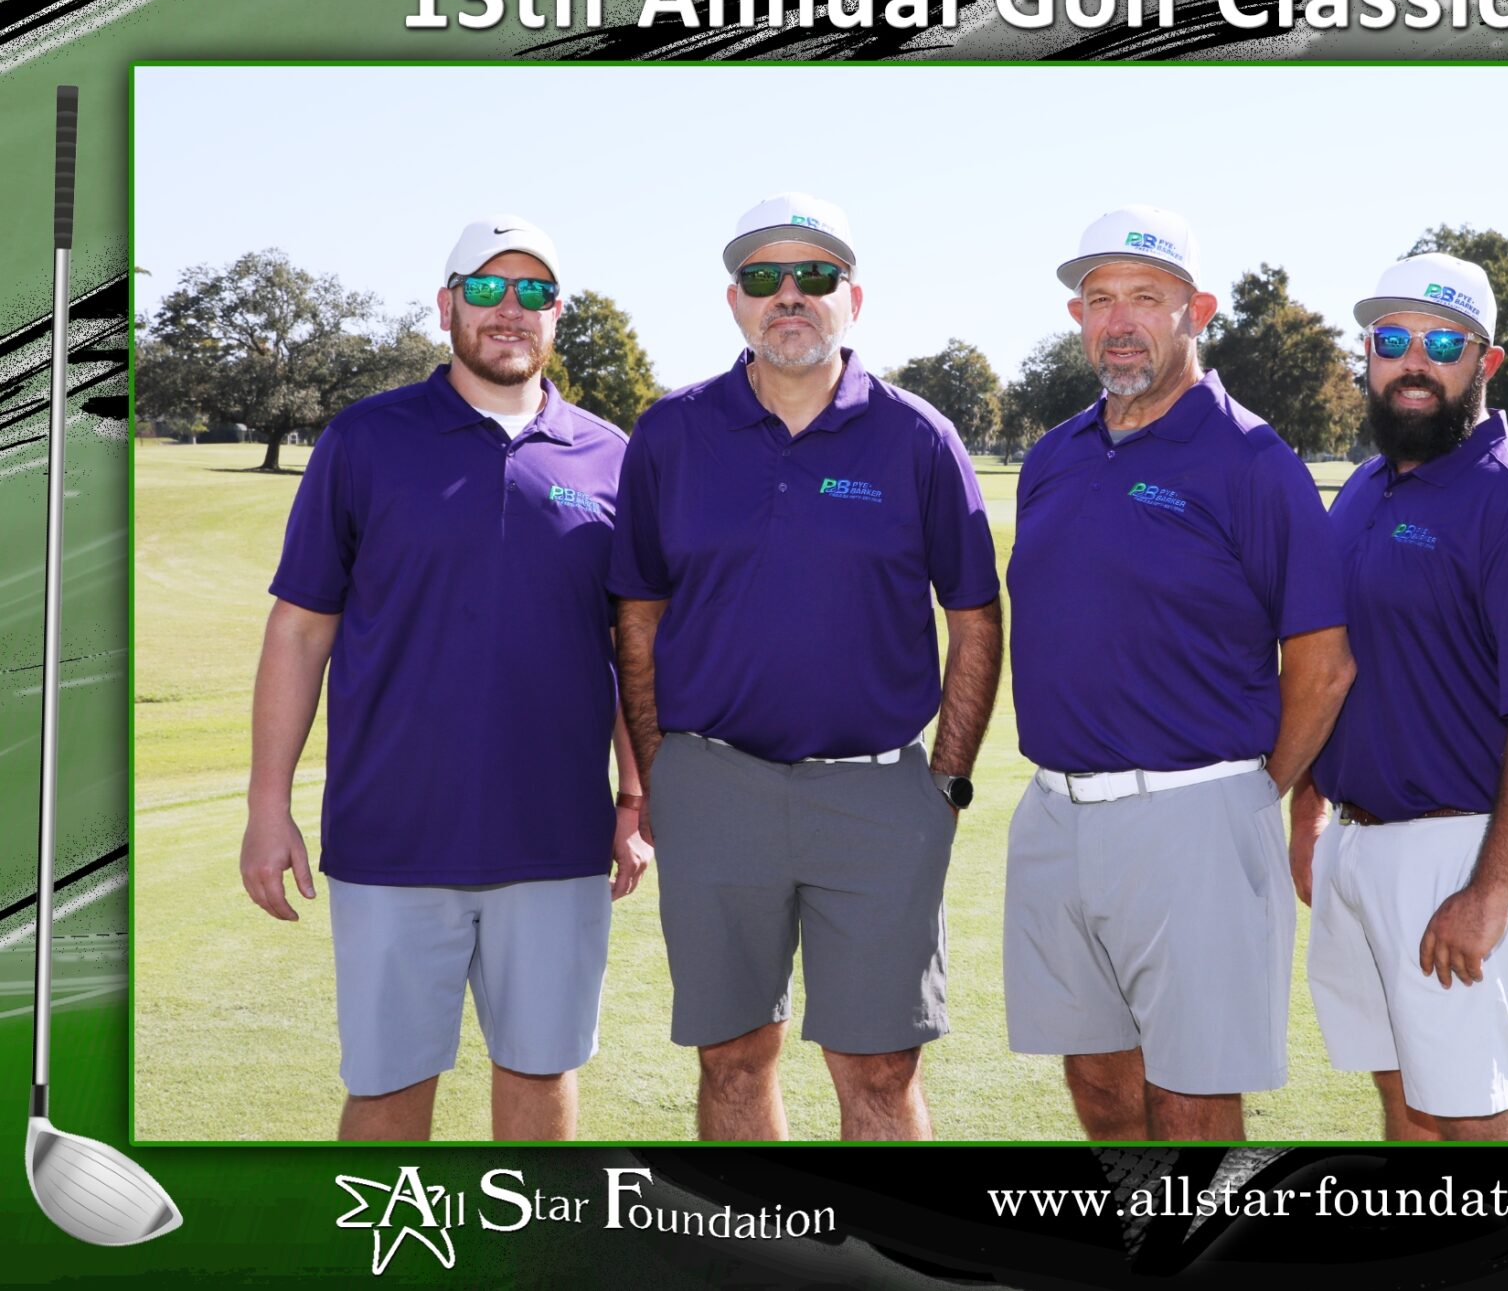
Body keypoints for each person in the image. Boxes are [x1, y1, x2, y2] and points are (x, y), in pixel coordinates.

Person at [239, 215, 647, 1141]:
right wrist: (268, 805)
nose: (511, 309)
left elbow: (629, 644)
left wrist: (634, 796)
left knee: (542, 1075)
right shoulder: (365, 439)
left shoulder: (611, 456)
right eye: (488, 287)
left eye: (535, 292)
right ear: (446, 304)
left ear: (558, 315)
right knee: (387, 1090)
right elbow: (299, 631)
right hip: (393, 838)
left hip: (556, 840)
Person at [609, 192, 1003, 1141]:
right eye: (763, 277)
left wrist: (947, 780)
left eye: (815, 274)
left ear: (852, 298)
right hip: (714, 785)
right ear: (735, 301)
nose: (789, 294)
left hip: (876, 796)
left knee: (879, 1067)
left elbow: (975, 618)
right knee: (732, 1056)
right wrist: (661, 772)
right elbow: (638, 616)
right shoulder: (671, 433)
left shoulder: (918, 437)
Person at [1003, 205, 1354, 1141]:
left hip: (1196, 810)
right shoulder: (1053, 455)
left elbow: (1323, 663)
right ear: (1078, 317)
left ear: (1196, 311)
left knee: (1193, 1097)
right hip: (1055, 812)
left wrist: (1255, 789)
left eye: (1145, 297)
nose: (1119, 321)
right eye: (1099, 300)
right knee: (1098, 1080)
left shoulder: (1253, 459)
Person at [1294, 253, 1508, 1142]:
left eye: (1442, 344)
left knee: (1468, 1112)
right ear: (1367, 353)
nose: (1413, 362)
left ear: (1485, 361)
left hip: (1463, 843)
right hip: (1359, 838)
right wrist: (1309, 813)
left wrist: (1489, 889)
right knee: (1403, 1095)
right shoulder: (1363, 488)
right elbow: (1333, 663)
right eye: (1392, 339)